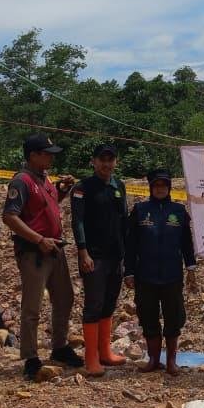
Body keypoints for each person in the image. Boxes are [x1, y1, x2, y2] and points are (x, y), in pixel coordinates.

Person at [1, 133, 81, 381]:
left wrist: (63, 191)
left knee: (65, 297)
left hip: (55, 249)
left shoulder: (44, 179)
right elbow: (10, 217)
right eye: (46, 154)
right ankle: (31, 357)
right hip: (35, 252)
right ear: (33, 155)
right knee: (32, 306)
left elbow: (47, 206)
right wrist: (38, 239)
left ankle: (59, 346)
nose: (50, 158)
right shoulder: (22, 181)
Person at [124, 168, 196, 375]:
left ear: (169, 188)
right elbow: (131, 245)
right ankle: (154, 359)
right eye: (156, 185)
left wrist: (191, 269)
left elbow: (186, 244)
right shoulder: (140, 210)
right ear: (151, 187)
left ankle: (171, 361)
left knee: (173, 317)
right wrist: (128, 272)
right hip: (145, 275)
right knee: (148, 316)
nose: (160, 189)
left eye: (164, 185)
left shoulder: (179, 211)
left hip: (172, 275)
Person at [71, 143, 129, 376]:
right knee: (93, 305)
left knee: (109, 302)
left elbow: (123, 220)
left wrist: (128, 253)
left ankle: (105, 352)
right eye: (102, 160)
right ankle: (91, 359)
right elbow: (78, 222)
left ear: (116, 162)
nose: (107, 164)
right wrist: (83, 251)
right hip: (94, 256)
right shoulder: (82, 187)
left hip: (116, 255)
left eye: (111, 160)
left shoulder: (119, 186)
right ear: (94, 162)